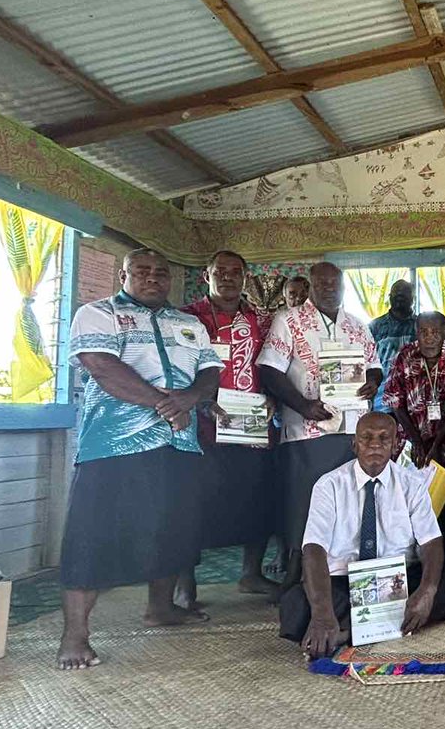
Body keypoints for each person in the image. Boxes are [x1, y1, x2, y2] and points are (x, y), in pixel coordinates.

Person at [57, 249, 223, 670]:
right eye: (143, 271)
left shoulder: (188, 323)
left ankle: (160, 608)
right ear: (123, 274)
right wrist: (165, 403)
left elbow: (209, 371)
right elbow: (100, 365)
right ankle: (75, 634)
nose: (153, 278)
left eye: (161, 273)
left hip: (179, 442)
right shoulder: (97, 313)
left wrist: (190, 397)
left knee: (172, 530)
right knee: (91, 535)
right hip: (113, 444)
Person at [278, 413, 445, 657]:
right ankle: (371, 627)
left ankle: (347, 633)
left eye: (384, 438)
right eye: (366, 438)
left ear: (394, 445)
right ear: (354, 444)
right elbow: (314, 549)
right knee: (295, 605)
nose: (375, 445)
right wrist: (322, 613)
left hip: (396, 582)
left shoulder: (412, 483)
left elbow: (431, 541)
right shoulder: (329, 485)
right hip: (344, 582)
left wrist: (426, 592)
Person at [257, 261, 382, 590]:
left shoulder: (357, 325)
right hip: (306, 434)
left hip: (352, 432)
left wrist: (371, 383)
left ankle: (342, 578)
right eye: (322, 283)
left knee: (349, 504)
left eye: (335, 283)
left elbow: (374, 366)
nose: (329, 288)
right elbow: (270, 370)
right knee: (305, 507)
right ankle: (296, 580)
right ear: (310, 286)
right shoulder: (288, 321)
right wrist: (303, 405)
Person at [179, 250, 276, 607]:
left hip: (251, 425)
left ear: (246, 277)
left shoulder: (262, 320)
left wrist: (273, 400)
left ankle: (251, 573)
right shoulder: (187, 318)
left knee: (257, 499)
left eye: (236, 272)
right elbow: (178, 366)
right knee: (194, 504)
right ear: (207, 275)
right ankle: (185, 583)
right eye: (221, 271)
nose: (229, 277)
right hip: (200, 427)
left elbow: (273, 366)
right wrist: (201, 401)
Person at [379, 311, 445, 549]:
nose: (429, 337)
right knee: (408, 491)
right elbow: (395, 401)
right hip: (411, 436)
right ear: (416, 332)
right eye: (423, 331)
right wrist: (418, 443)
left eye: (435, 332)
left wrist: (435, 445)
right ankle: (408, 547)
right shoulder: (404, 356)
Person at [369, 278, 416, 378]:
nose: (400, 297)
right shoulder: (374, 327)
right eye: (396, 295)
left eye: (404, 295)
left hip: (415, 389)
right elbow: (367, 360)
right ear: (389, 297)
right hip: (382, 390)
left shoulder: (422, 326)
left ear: (413, 298)